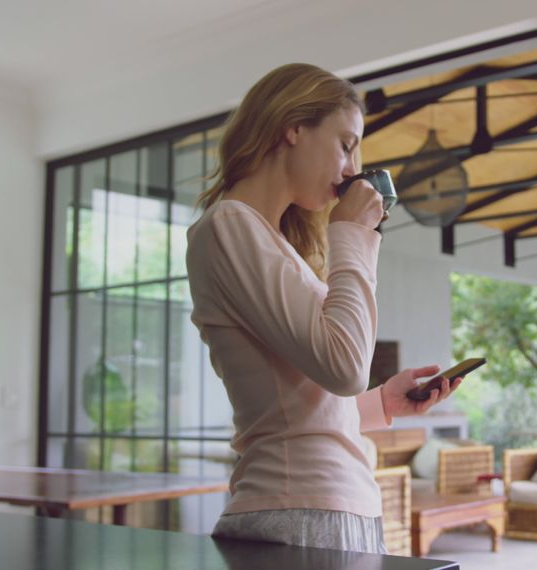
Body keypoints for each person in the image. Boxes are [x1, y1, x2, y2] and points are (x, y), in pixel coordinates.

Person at [185, 63, 463, 554]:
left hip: (325, 509)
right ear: (293, 127)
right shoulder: (229, 227)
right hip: (298, 511)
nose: (354, 168)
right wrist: (351, 236)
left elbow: (303, 400)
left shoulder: (274, 244)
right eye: (346, 143)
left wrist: (381, 404)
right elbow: (345, 367)